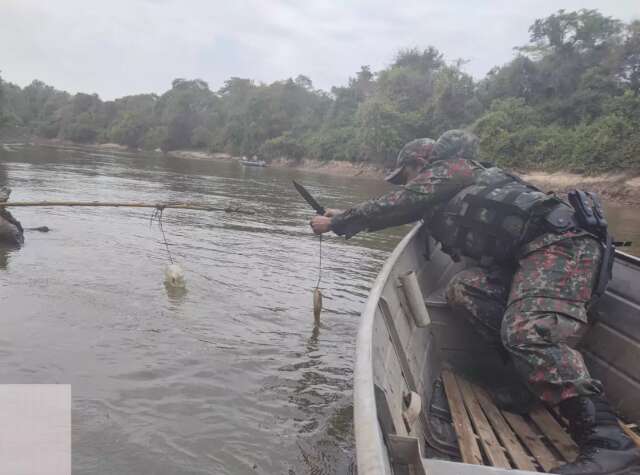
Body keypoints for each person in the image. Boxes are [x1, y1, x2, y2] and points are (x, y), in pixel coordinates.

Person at [310, 130, 640, 475]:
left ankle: (609, 443)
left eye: (404, 176)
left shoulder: (452, 169)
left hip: (560, 246)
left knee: (527, 332)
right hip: (531, 255)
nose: (402, 185)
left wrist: (336, 222)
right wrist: (343, 216)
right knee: (465, 289)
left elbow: (401, 203)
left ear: (420, 164)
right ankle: (525, 382)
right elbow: (401, 209)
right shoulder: (453, 182)